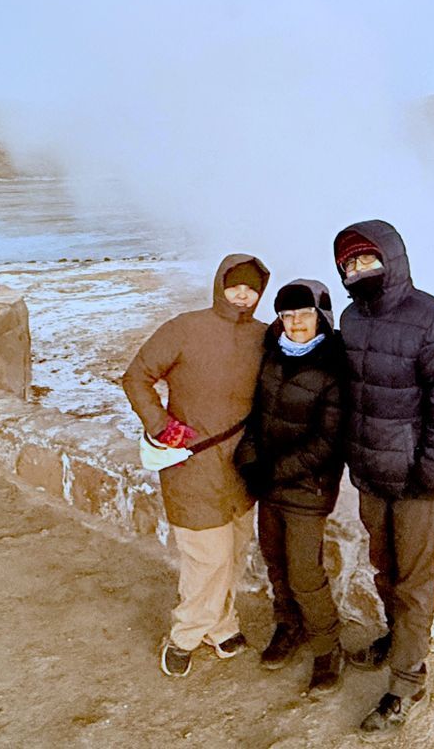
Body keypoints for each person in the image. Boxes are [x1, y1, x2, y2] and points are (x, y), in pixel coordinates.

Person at [331, 220, 434, 734]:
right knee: (384, 570)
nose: (358, 269)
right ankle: (397, 638)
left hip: (416, 480)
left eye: (366, 258)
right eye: (349, 262)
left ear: (391, 259)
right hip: (371, 474)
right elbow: (348, 396)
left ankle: (407, 682)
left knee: (414, 583)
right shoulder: (351, 318)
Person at [120, 253, 270, 678]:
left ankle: (221, 626)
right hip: (192, 463)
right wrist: (160, 424)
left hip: (242, 465)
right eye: (235, 285)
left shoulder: (263, 335)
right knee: (207, 556)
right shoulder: (184, 328)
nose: (242, 295)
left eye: (252, 288)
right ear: (220, 285)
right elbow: (136, 376)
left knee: (234, 551)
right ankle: (184, 635)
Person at [234, 280, 350, 695]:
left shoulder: (335, 365)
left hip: (307, 488)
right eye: (287, 315)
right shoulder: (273, 355)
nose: (295, 323)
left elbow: (328, 441)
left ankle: (327, 647)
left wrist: (275, 470)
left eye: (304, 314)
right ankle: (288, 626)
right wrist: (249, 459)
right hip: (270, 485)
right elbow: (256, 416)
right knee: (275, 562)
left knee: (304, 573)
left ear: (321, 316)